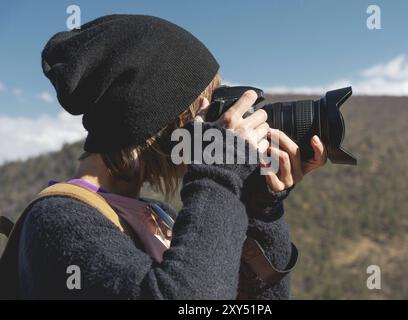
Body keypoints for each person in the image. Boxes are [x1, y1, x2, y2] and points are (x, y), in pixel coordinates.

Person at [17, 14, 326, 299]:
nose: (214, 123)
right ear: (158, 117)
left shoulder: (156, 217)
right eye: (203, 111)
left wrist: (261, 206)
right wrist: (223, 166)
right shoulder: (60, 221)